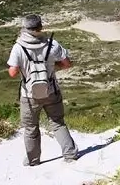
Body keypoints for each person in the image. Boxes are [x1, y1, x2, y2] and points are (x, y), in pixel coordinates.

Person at [7, 14, 79, 166]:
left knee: (31, 129)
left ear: (24, 29)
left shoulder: (18, 47)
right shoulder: (52, 44)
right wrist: (52, 67)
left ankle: (33, 160)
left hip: (29, 94)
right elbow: (67, 64)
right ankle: (70, 154)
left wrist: (25, 67)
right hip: (51, 90)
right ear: (40, 27)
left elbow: (12, 73)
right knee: (58, 123)